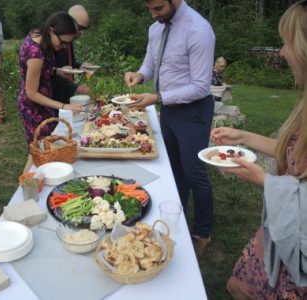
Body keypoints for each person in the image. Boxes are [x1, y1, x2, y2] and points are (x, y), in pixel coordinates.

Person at [211, 1, 307, 299]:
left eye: (286, 43)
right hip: (280, 227)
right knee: (236, 286)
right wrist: (243, 136)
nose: (282, 52)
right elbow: (291, 150)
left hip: (298, 241)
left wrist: (264, 180)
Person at [124, 0, 215, 257]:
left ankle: (202, 232)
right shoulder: (156, 29)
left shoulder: (198, 29)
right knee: (174, 168)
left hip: (193, 110)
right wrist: (139, 75)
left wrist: (158, 97)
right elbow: (150, 66)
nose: (154, 15)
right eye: (149, 9)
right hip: (168, 108)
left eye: (159, 9)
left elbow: (201, 86)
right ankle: (179, 220)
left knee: (194, 171)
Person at [18, 11, 83, 173]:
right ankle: (27, 185)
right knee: (37, 152)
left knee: (40, 149)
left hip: (42, 103)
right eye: (62, 43)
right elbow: (31, 92)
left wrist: (56, 71)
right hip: (34, 108)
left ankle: (30, 182)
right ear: (52, 30)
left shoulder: (40, 36)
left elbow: (39, 71)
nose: (63, 47)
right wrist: (63, 106)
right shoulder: (36, 53)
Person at [52, 4, 90, 104]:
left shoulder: (69, 40)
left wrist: (82, 66)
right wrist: (76, 88)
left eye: (85, 29)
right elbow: (52, 72)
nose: (82, 32)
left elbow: (70, 63)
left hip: (66, 95)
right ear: (69, 21)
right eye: (80, 27)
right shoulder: (56, 40)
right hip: (54, 97)